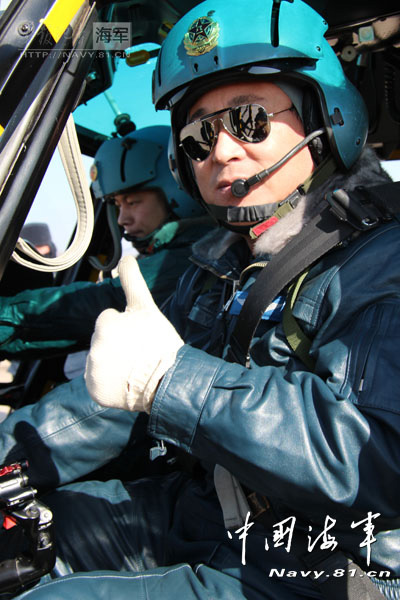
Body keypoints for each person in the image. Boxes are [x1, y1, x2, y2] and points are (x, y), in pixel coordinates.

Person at [4, 0, 400, 598]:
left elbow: (369, 457)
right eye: (196, 136)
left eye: (248, 119)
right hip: (204, 511)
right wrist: (14, 452)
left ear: (328, 116)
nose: (220, 150)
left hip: (324, 564)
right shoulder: (217, 264)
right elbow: (128, 401)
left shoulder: (384, 259)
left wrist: (173, 381)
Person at [0, 124, 213, 490]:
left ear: (177, 191)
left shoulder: (187, 261)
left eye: (133, 201)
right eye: (116, 204)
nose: (122, 219)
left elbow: (97, 306)